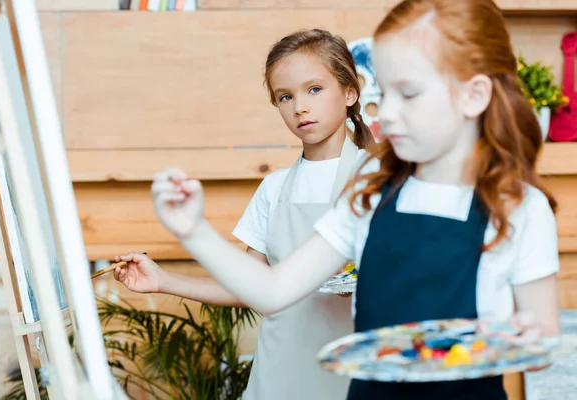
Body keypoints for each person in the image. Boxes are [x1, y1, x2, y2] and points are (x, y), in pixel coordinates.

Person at [131, 1, 562, 398]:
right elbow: (272, 290)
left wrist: (521, 337)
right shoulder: (372, 188)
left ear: (474, 95)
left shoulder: (520, 207)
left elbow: (542, 341)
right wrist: (193, 230)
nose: (386, 114)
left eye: (408, 93)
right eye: (385, 94)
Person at [113, 29, 374, 400]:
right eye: (286, 96)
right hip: (279, 375)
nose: (300, 106)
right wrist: (162, 280)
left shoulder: (376, 180)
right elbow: (252, 287)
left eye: (314, 89)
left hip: (351, 373)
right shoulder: (274, 188)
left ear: (350, 93)